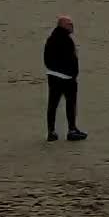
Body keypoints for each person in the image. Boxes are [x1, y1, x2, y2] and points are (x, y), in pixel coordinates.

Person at [43, 14, 87, 142]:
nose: (72, 26)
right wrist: (72, 74)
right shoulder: (66, 40)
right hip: (67, 78)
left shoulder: (51, 39)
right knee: (70, 104)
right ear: (62, 25)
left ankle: (51, 132)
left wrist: (52, 70)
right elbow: (70, 59)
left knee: (53, 104)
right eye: (69, 24)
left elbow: (47, 58)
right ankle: (72, 130)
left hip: (53, 76)